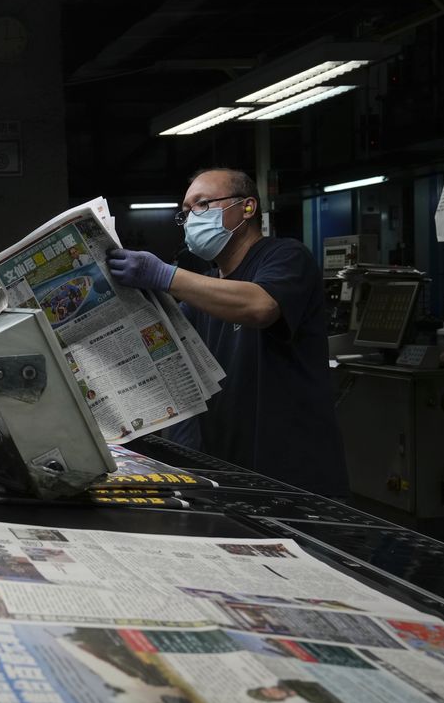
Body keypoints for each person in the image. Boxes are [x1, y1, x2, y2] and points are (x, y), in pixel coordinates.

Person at [105, 168, 347, 497]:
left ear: (247, 208)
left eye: (202, 205)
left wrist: (164, 275)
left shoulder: (286, 256)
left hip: (291, 472)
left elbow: (260, 306)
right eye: (186, 212)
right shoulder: (202, 294)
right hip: (231, 471)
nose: (191, 218)